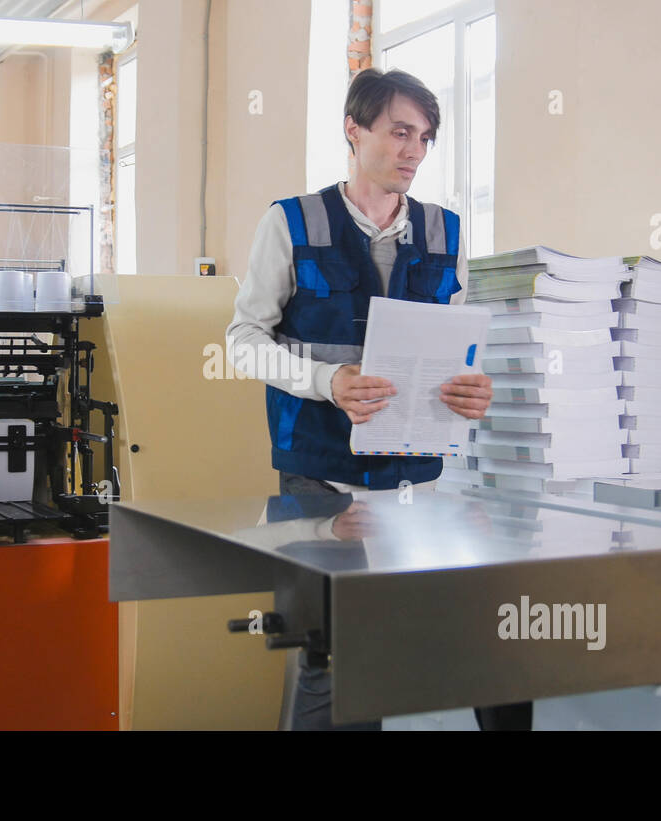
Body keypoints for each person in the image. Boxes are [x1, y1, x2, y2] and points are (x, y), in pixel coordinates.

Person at [227, 67, 525, 730]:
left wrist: (475, 390)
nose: (414, 149)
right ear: (353, 131)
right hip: (320, 480)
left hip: (419, 485)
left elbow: (459, 347)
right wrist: (326, 381)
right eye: (399, 131)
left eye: (424, 136)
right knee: (329, 656)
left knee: (488, 644)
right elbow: (242, 340)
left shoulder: (445, 231)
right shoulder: (292, 222)